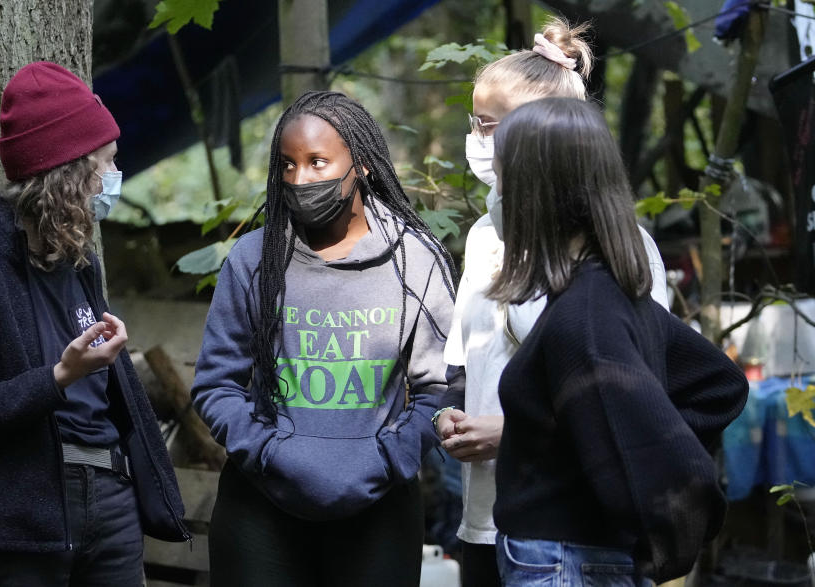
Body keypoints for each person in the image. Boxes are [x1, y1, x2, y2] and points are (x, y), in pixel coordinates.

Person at [0, 61, 189, 586]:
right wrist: (57, 378)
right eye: (107, 162)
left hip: (111, 504)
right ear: (69, 173)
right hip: (18, 524)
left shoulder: (82, 261)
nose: (115, 175)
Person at [435, 19, 669, 587]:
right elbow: (465, 364)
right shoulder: (484, 238)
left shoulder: (621, 250)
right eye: (475, 124)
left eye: (491, 126)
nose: (479, 141)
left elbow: (634, 403)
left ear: (545, 133)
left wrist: (509, 433)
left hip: (570, 534)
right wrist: (450, 414)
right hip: (486, 517)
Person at [191, 90, 457, 587]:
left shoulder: (416, 259)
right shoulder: (253, 260)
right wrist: (268, 452)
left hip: (379, 510)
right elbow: (215, 384)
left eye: (317, 162)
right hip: (261, 509)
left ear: (363, 165)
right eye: (287, 165)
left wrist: (387, 457)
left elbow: (441, 388)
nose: (300, 179)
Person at [486, 96, 748, 584]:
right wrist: (598, 465)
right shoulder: (610, 296)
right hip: (572, 558)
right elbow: (719, 384)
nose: (496, 192)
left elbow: (693, 431)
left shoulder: (585, 317)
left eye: (502, 176)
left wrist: (655, 523)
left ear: (536, 191)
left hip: (566, 563)